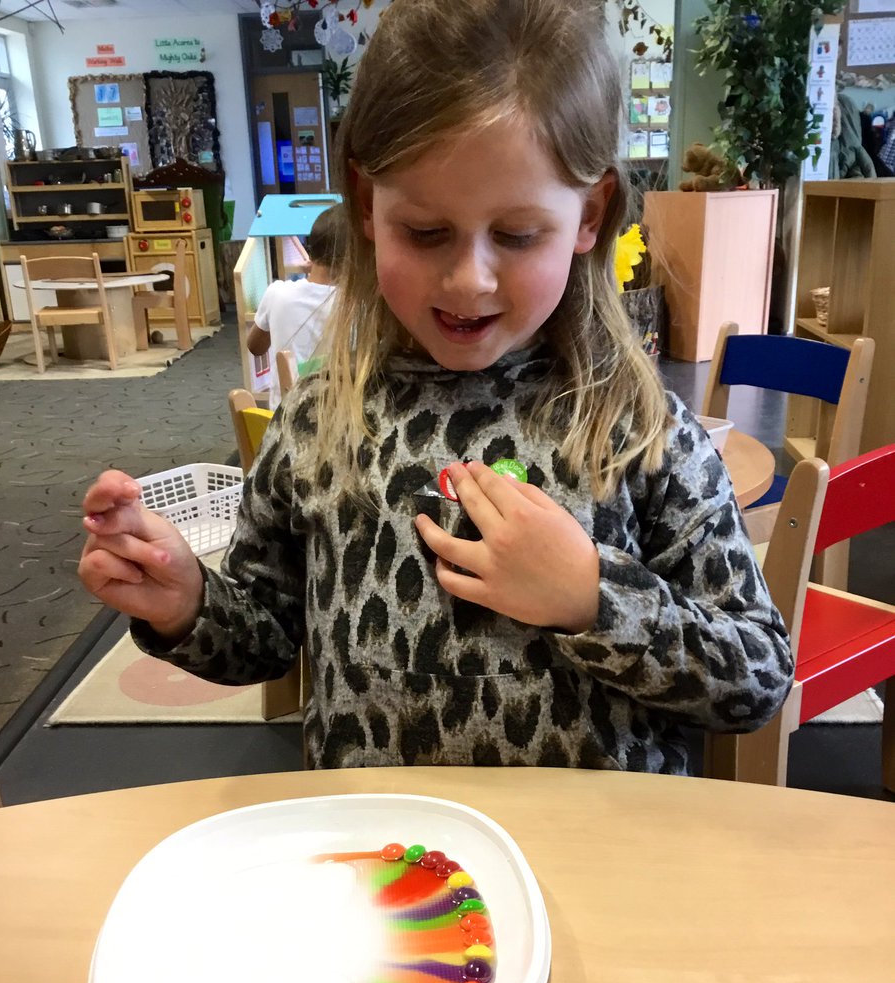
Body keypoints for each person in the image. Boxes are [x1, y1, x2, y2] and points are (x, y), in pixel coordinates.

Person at [78, 0, 794, 774]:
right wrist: (187, 603)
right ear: (365, 206)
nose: (469, 278)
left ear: (590, 215)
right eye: (425, 231)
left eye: (518, 235)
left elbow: (756, 678)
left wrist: (592, 596)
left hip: (594, 867)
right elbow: (268, 635)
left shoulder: (637, 430)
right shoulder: (318, 425)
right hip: (379, 867)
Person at [246, 201, 344, 409]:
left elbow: (255, 346)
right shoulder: (356, 304)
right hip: (335, 418)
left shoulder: (277, 293)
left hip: (282, 419)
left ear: (311, 251)